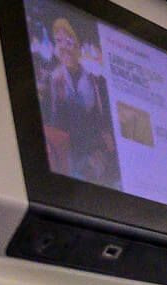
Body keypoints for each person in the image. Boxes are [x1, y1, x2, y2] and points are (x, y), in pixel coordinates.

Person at [37, 16, 117, 184]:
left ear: (79, 43)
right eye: (59, 40)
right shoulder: (54, 78)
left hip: (94, 153)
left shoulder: (96, 78)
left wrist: (101, 151)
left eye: (69, 39)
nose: (64, 46)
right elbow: (52, 123)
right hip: (65, 158)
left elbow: (105, 122)